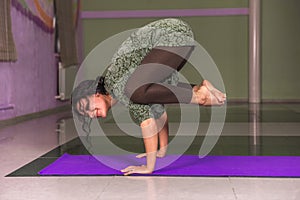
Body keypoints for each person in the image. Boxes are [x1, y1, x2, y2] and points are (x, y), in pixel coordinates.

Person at [72, 18, 226, 176]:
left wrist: (148, 167)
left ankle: (200, 95)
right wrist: (162, 151)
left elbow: (148, 123)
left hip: (171, 35)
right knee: (147, 93)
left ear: (95, 93)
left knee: (135, 92)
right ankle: (200, 88)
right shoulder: (126, 84)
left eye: (87, 107)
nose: (91, 114)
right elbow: (159, 111)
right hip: (179, 36)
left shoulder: (116, 86)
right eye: (87, 114)